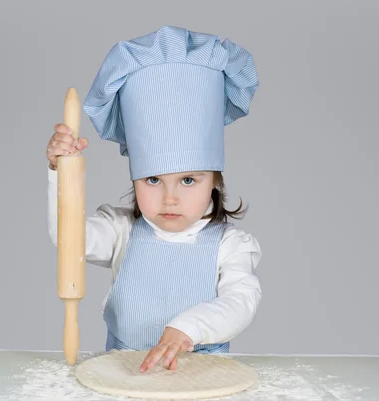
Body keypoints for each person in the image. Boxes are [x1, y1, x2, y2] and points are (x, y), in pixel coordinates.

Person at [46, 25, 262, 372]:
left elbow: (241, 302)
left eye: (189, 180)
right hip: (121, 377)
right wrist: (61, 171)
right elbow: (68, 239)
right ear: (134, 178)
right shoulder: (121, 232)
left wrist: (187, 329)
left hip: (203, 381)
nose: (169, 198)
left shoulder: (230, 246)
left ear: (215, 180)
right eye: (153, 180)